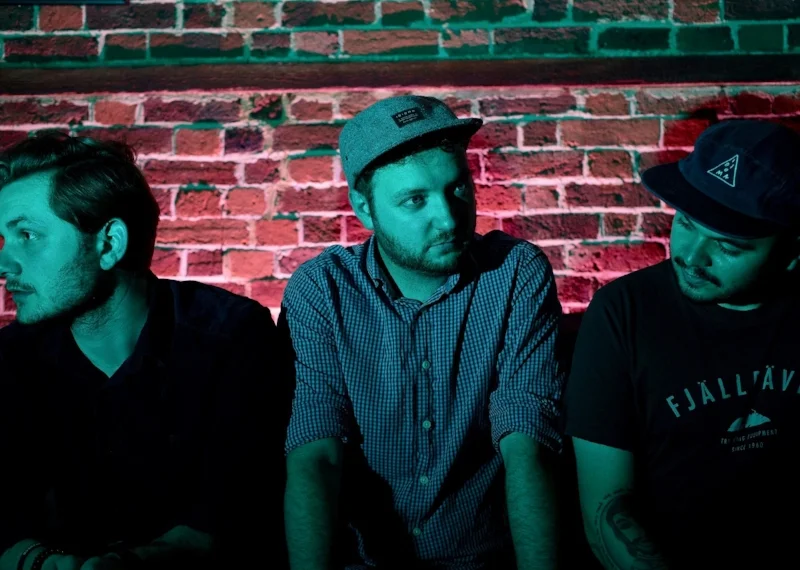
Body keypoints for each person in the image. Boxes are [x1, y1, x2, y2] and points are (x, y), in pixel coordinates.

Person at [280, 95, 566, 570]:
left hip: (482, 561)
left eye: (457, 189)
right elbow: (316, 453)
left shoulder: (514, 273)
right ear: (365, 210)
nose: (449, 219)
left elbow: (528, 442)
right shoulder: (322, 289)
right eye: (415, 200)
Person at [0, 132, 290, 570]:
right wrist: (39, 561)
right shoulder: (13, 359)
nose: (5, 263)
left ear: (109, 243)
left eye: (27, 235)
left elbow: (235, 516)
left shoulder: (229, 337)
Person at [563, 119, 800, 569]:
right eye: (686, 223)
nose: (691, 256)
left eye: (728, 247)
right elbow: (608, 508)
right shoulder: (624, 311)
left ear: (792, 253)